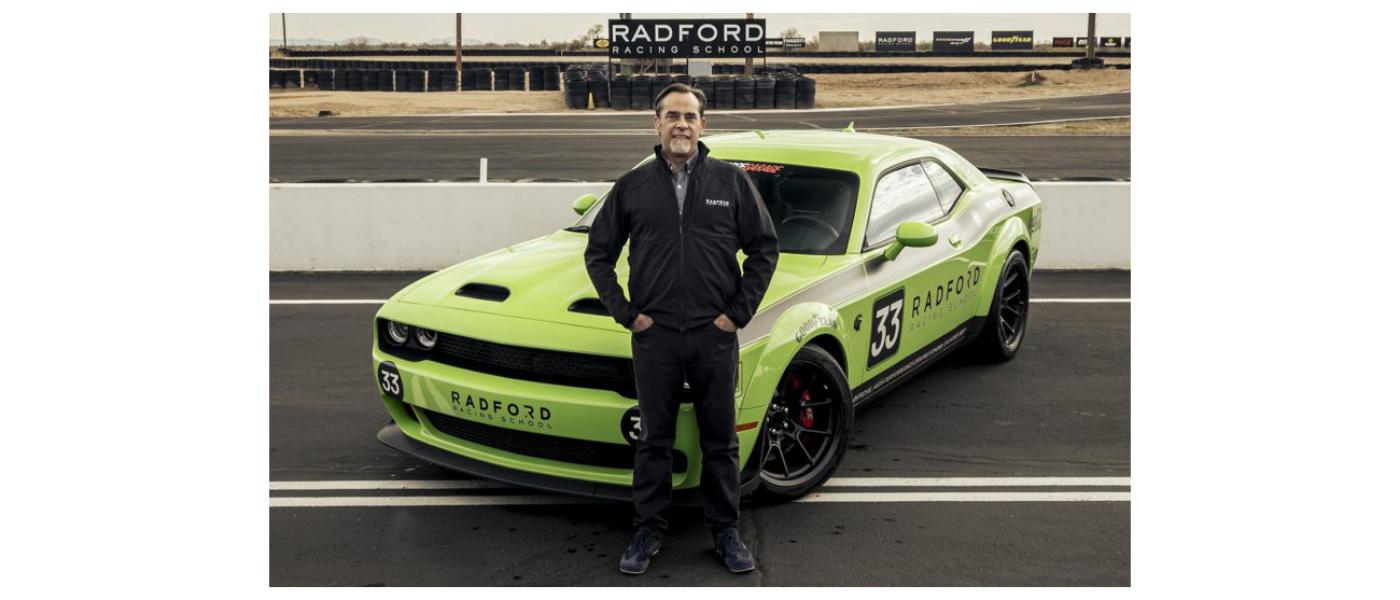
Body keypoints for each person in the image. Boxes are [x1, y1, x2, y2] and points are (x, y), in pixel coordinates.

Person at [584, 83, 778, 575]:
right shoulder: (633, 186)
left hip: (714, 335)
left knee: (720, 439)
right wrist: (627, 314)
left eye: (690, 117)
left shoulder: (730, 182)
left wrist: (738, 313)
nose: (681, 125)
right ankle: (648, 529)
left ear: (703, 125)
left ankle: (726, 531)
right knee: (654, 439)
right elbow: (598, 254)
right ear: (656, 124)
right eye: (672, 116)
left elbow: (764, 249)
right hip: (657, 336)